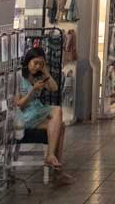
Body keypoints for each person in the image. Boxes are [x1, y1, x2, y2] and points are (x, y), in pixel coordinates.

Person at [16, 47, 73, 185]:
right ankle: (53, 162)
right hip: (24, 116)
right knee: (57, 110)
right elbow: (18, 105)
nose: (37, 66)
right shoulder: (19, 77)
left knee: (61, 126)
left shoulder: (39, 75)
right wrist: (32, 92)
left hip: (38, 111)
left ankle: (55, 167)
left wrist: (45, 71)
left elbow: (54, 88)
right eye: (35, 63)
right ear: (28, 61)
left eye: (41, 64)